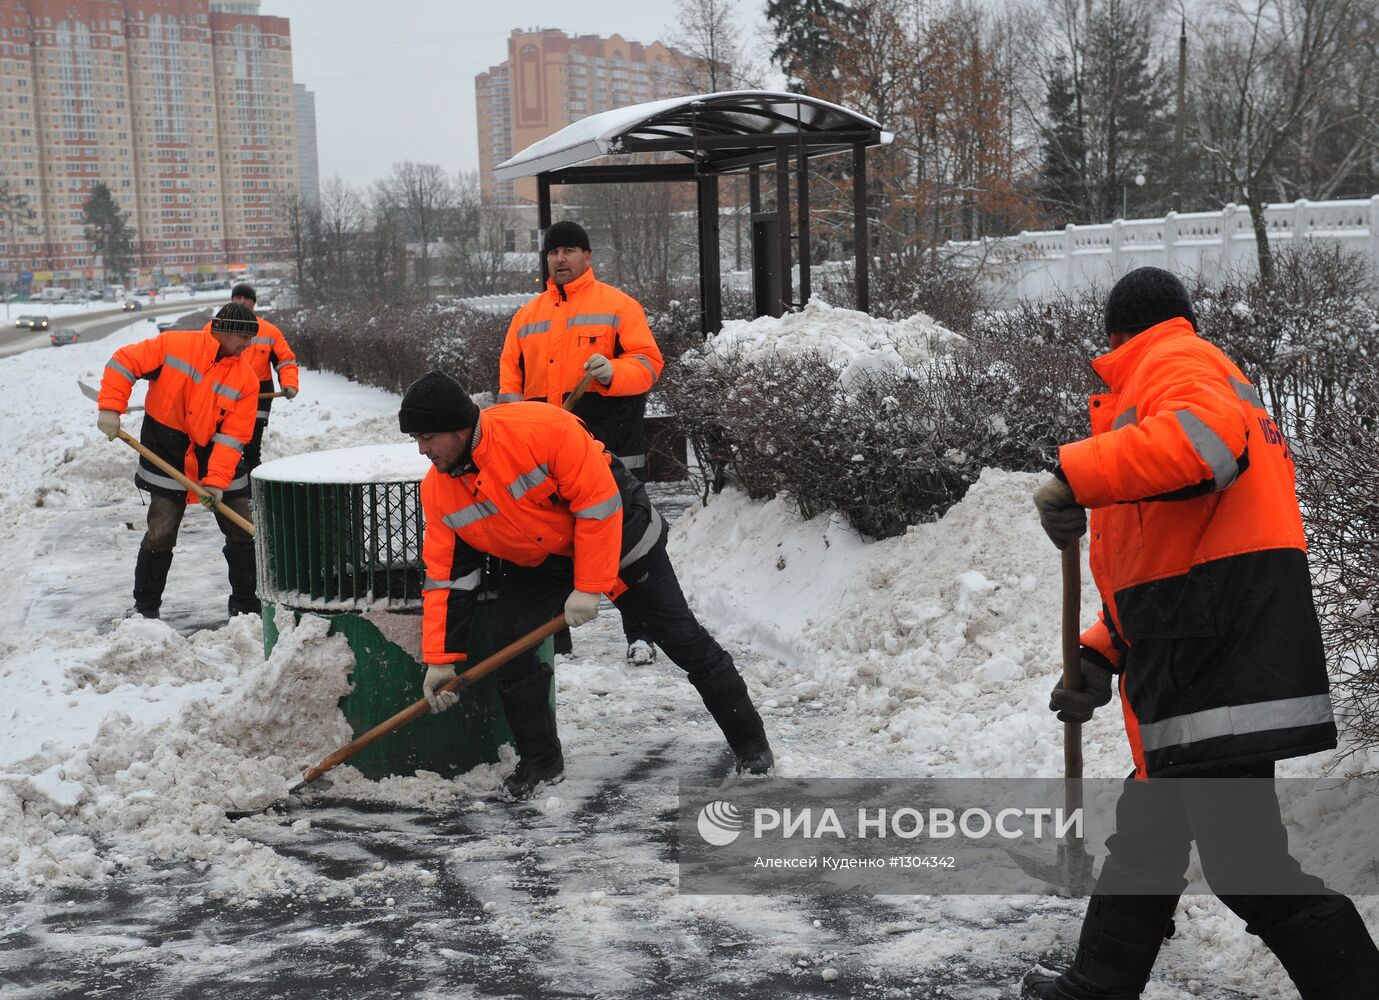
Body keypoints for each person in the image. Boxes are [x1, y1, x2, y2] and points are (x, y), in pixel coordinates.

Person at [1025, 267, 1379, 999]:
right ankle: (1095, 986)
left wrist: (1074, 474)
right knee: (1149, 835)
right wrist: (1101, 650)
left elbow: (1203, 451)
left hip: (1217, 665)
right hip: (1205, 651)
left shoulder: (1175, 362)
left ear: (1117, 333)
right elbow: (1167, 557)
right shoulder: (1179, 373)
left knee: (1245, 865)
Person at [400, 370, 774, 800]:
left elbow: (598, 505)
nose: (423, 449)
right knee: (511, 645)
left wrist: (590, 584)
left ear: (460, 426)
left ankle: (751, 744)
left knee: (681, 638)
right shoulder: (440, 491)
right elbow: (448, 576)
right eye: (416, 440)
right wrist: (442, 659)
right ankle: (541, 761)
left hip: (622, 536)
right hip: (543, 559)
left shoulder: (542, 430)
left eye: (428, 436)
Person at [498, 220, 664, 666]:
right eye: (553, 252)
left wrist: (612, 373)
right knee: (556, 538)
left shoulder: (617, 306)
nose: (560, 259)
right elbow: (509, 389)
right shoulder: (527, 317)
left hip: (611, 445)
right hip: (550, 451)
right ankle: (558, 636)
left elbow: (649, 363)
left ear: (587, 257)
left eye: (569, 250)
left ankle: (640, 631)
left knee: (627, 543)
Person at [97, 303, 262, 620]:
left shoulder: (246, 380)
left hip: (216, 458)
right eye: (243, 337)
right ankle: (145, 608)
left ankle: (246, 606)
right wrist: (110, 407)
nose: (248, 345)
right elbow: (122, 362)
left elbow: (232, 439)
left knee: (243, 531)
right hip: (165, 452)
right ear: (222, 329)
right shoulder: (175, 345)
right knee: (161, 533)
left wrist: (215, 482)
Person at [227, 282, 299, 472]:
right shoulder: (215, 328)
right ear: (232, 300)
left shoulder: (269, 332)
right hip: (226, 394)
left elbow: (285, 361)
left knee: (251, 446)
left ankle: (251, 484)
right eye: (238, 298)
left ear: (254, 303)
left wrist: (289, 383)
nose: (242, 302)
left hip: (259, 395)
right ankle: (228, 481)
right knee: (226, 444)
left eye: (246, 299)